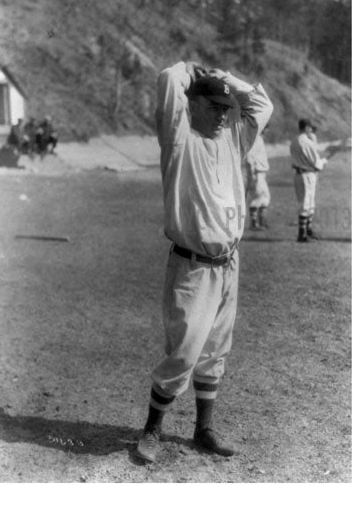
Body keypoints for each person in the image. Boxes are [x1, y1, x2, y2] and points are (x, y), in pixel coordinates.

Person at [135, 61, 273, 463]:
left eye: (226, 108)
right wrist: (189, 69)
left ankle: (203, 430)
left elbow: (261, 105)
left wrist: (226, 78)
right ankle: (151, 430)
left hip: (228, 263)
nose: (222, 115)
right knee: (184, 351)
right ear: (192, 105)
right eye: (213, 106)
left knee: (216, 350)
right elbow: (167, 82)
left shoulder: (232, 139)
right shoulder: (179, 140)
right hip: (192, 267)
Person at [290, 118, 327, 242]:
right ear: (306, 128)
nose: (311, 129)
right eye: (310, 127)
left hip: (300, 173)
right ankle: (302, 235)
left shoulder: (295, 140)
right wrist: (323, 162)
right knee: (306, 204)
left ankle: (309, 231)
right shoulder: (305, 141)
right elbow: (316, 162)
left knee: (309, 203)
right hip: (307, 175)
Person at [246, 127, 271, 230]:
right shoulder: (256, 139)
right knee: (257, 197)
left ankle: (261, 221)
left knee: (265, 196)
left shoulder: (258, 139)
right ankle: (254, 223)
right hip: (257, 172)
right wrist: (252, 174)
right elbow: (249, 158)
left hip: (260, 172)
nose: (267, 131)